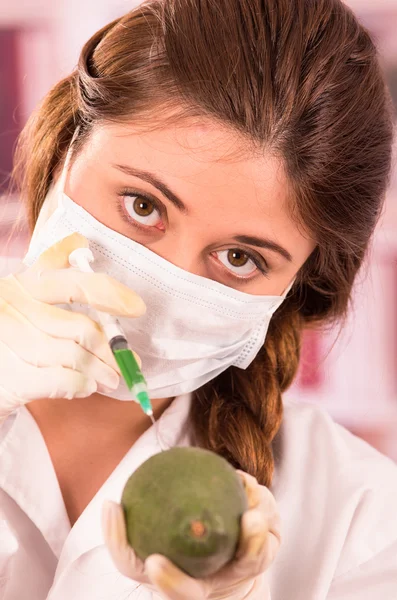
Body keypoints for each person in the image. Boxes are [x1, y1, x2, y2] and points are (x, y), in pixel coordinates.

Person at [0, 0, 396, 598]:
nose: (162, 283)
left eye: (240, 258)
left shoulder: (362, 520)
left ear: (298, 286)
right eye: (143, 206)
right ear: (64, 152)